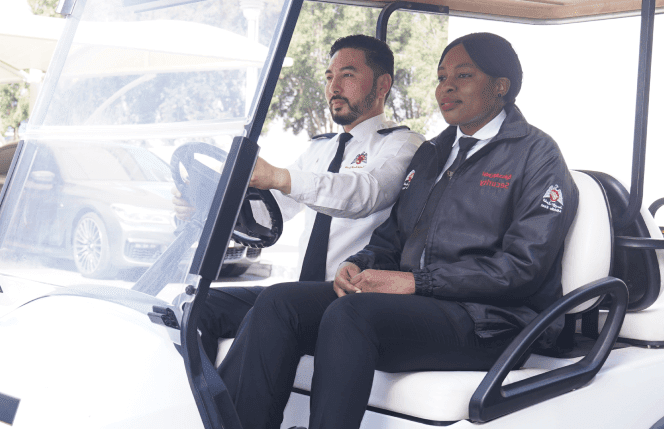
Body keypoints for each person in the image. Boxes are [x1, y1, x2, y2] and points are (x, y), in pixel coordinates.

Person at [218, 32, 577, 429]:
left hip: (489, 322)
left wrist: (416, 283)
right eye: (441, 77)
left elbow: (523, 267)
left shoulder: (537, 155)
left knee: (350, 316)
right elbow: (393, 237)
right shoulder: (434, 153)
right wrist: (357, 263)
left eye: (463, 75)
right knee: (279, 303)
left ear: (501, 86)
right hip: (425, 306)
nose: (447, 87)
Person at [196, 34, 425, 362]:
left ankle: (235, 412)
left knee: (278, 302)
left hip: (353, 297)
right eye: (330, 77)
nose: (334, 87)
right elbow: (273, 212)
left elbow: (364, 193)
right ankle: (204, 405)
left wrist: (279, 177)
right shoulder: (319, 148)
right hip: (302, 292)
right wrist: (201, 205)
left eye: (347, 75)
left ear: (382, 84)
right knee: (196, 307)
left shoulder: (401, 145)